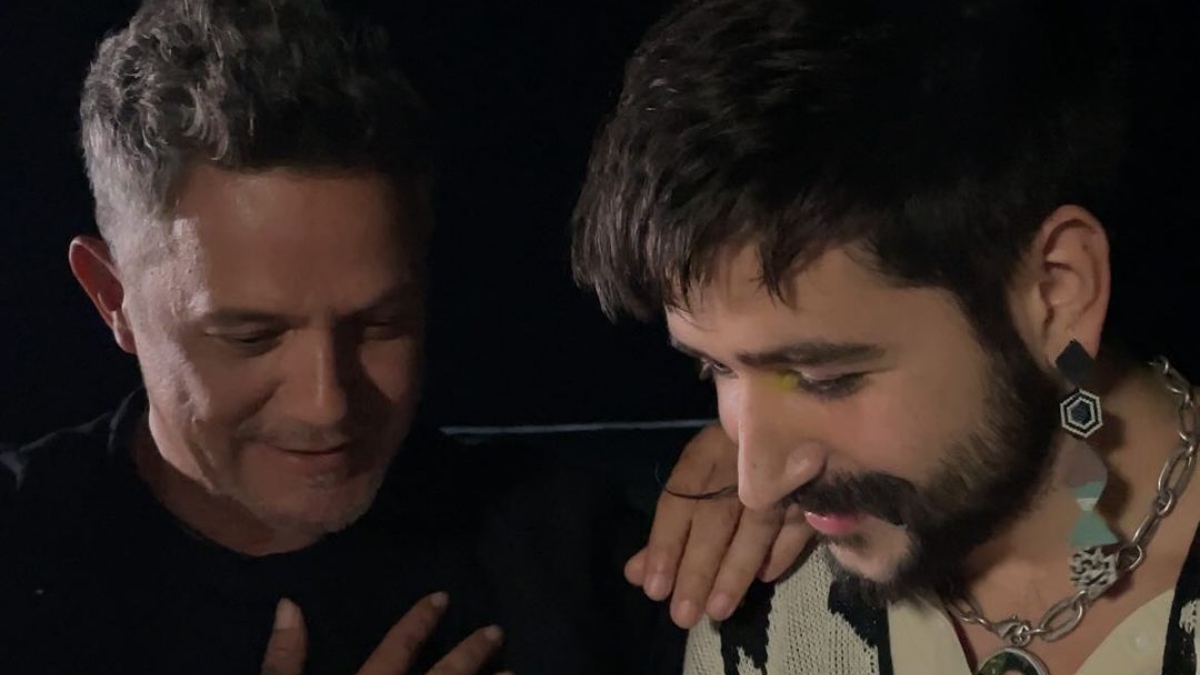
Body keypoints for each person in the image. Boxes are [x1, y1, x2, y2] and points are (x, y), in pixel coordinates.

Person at [0, 0, 783, 673]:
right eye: (250, 336)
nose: (327, 404)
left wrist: (796, 450)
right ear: (112, 298)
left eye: (380, 323)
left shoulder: (569, 549)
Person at [571, 0, 1200, 673]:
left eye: (824, 379)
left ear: (1056, 291)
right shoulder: (758, 603)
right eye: (716, 369)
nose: (756, 485)